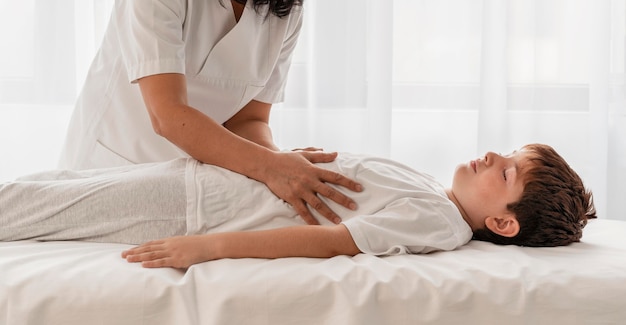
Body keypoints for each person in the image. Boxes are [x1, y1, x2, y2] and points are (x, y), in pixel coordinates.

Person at [58, 0, 360, 225]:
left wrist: (280, 167)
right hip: (107, 174)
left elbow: (249, 120)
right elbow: (168, 116)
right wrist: (270, 167)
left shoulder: (285, 13)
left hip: (189, 187)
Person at [1, 143, 595, 269]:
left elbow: (329, 240)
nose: (493, 154)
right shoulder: (429, 191)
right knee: (40, 190)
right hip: (204, 179)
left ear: (502, 222)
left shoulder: (438, 222)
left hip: (193, 206)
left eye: (508, 169)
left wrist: (206, 248)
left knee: (23, 206)